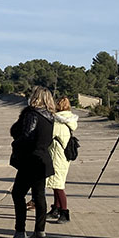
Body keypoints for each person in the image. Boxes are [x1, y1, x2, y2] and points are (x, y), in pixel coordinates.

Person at [9, 87, 57, 238]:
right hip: (42, 159)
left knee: (18, 194)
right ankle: (40, 230)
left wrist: (16, 143)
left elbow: (27, 135)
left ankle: (20, 231)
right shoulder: (50, 117)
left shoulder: (31, 114)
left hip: (30, 160)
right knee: (39, 195)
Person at [46, 96, 78, 224]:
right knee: (56, 184)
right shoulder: (69, 120)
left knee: (58, 185)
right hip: (63, 155)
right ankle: (56, 208)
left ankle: (64, 211)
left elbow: (48, 135)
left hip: (57, 155)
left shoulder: (58, 122)